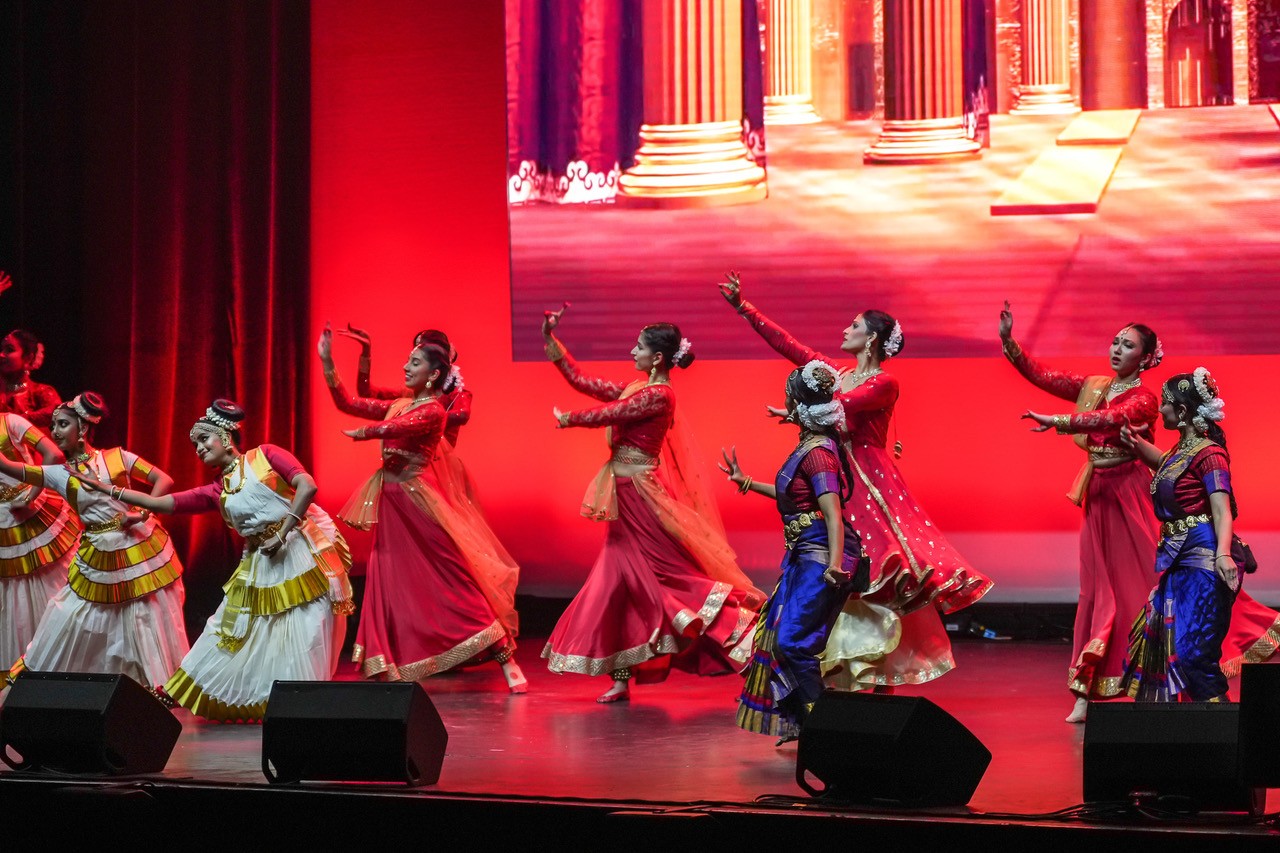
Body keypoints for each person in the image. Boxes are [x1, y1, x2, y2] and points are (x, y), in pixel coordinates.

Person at [718, 273, 991, 693]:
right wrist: (745, 308)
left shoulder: (884, 382)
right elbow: (794, 350)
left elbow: (836, 406)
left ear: (873, 340)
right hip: (835, 475)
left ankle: (880, 691)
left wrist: (798, 409)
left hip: (869, 484)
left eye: (855, 326)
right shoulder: (838, 373)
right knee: (832, 584)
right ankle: (822, 696)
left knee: (877, 581)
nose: (845, 330)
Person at [539, 306, 764, 703]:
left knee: (672, 583)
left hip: (642, 500)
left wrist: (570, 418)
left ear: (657, 358)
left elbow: (613, 413)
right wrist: (551, 341)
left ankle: (754, 653)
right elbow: (585, 381)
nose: (632, 352)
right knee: (616, 588)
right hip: (624, 500)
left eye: (638, 347)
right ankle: (622, 678)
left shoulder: (659, 396)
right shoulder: (638, 388)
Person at [83, 400, 354, 721]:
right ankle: (179, 690)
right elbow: (163, 502)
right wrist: (109, 490)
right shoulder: (218, 490)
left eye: (203, 439)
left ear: (225, 437)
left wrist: (283, 530)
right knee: (228, 627)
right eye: (194, 444)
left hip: (300, 550)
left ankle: (303, 703)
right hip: (262, 561)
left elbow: (306, 485)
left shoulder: (264, 456)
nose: (198, 448)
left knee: (305, 628)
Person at [317, 324, 526, 691]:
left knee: (453, 577)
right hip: (392, 501)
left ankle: (505, 657)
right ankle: (392, 664)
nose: (404, 366)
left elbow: (404, 425)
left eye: (414, 361)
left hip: (420, 498)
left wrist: (365, 433)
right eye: (407, 359)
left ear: (434, 374)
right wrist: (327, 361)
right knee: (389, 581)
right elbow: (350, 402)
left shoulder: (434, 409)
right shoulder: (401, 403)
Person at [999, 304, 1164, 721]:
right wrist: (1010, 345)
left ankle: (1160, 679)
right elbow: (1049, 378)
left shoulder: (1144, 398)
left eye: (1127, 346)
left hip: (1131, 494)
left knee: (1144, 583)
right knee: (1096, 591)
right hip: (1100, 495)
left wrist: (1058, 421)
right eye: (1115, 341)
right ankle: (1087, 690)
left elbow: (1110, 418)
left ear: (1144, 358)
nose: (1116, 349)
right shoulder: (1096, 385)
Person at [722, 360, 869, 742]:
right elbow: (795, 500)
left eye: (789, 398)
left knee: (791, 643)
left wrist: (835, 565)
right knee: (782, 642)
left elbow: (833, 514)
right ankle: (812, 727)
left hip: (822, 557)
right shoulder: (809, 446)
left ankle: (826, 731)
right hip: (805, 555)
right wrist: (747, 482)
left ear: (800, 407)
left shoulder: (819, 452)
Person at [2, 393, 188, 690]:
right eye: (53, 425)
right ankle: (42, 681)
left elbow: (163, 481)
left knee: (140, 616)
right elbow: (13, 469)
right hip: (97, 552)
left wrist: (139, 513)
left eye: (63, 424)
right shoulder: (57, 473)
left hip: (136, 547)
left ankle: (150, 688)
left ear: (83, 429)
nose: (55, 431)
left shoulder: (116, 458)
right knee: (69, 612)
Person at [1119, 369, 1240, 701]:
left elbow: (1221, 509)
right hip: (1177, 560)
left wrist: (1224, 554)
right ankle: (1193, 737)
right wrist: (1138, 445)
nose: (1161, 411)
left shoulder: (1210, 453)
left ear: (1183, 412)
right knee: (1166, 648)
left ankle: (1224, 736)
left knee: (1193, 654)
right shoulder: (1178, 453)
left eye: (1166, 404)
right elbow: (1170, 470)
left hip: (1202, 558)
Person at [0, 412, 79, 667]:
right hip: (7, 516)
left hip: (30, 512)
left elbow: (53, 454)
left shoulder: (9, 422)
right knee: (12, 594)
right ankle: (21, 664)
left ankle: (48, 658)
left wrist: (32, 494)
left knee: (46, 585)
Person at [338, 324, 473, 447]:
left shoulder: (457, 395)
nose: (406, 367)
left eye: (417, 361)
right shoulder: (409, 395)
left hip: (439, 467)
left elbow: (462, 415)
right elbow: (366, 393)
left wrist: (420, 417)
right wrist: (365, 353)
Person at [0, 329, 60, 429]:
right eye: (1, 349)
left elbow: (60, 415)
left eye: (9, 350)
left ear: (28, 358)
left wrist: (20, 419)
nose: (1, 354)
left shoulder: (41, 393)